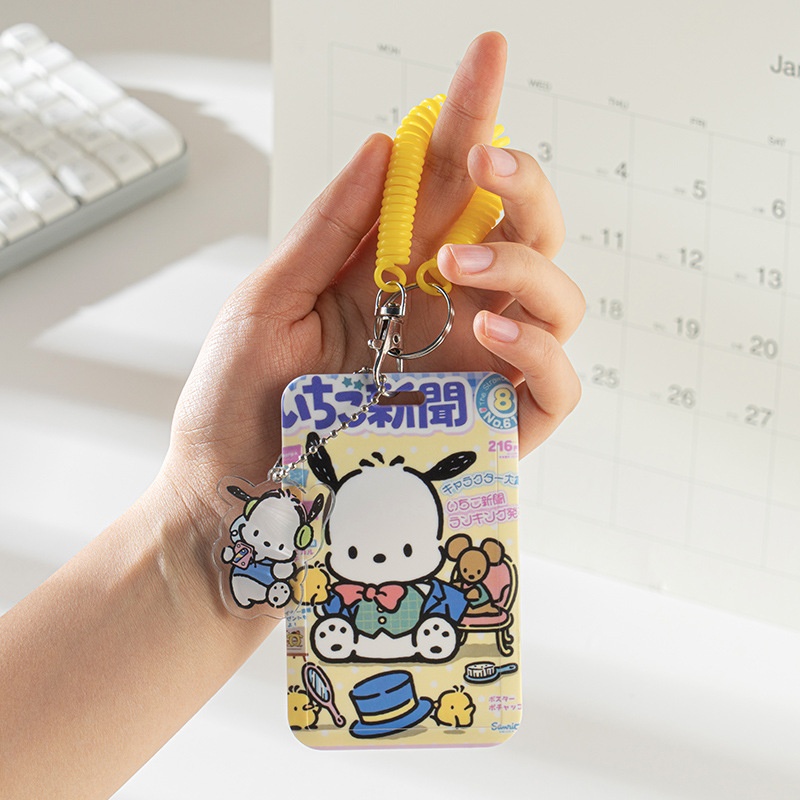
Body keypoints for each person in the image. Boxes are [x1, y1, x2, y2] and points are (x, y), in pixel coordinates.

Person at [0, 31, 584, 799]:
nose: (380, 567)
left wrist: (203, 533)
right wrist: (210, 527)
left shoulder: (423, 586)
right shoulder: (340, 582)